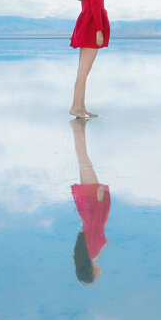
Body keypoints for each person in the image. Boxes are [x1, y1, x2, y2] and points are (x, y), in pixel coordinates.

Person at [69, 0, 109, 118]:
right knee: (84, 71)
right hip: (92, 24)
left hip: (86, 22)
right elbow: (95, 6)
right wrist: (99, 30)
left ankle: (81, 107)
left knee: (83, 70)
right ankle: (75, 107)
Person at [70, 118, 110, 285]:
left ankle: (76, 127)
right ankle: (80, 126)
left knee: (84, 159)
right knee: (82, 160)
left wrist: (100, 201)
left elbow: (96, 225)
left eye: (95, 278)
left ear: (91, 273)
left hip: (93, 203)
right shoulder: (84, 252)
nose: (98, 277)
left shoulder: (93, 251)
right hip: (85, 206)